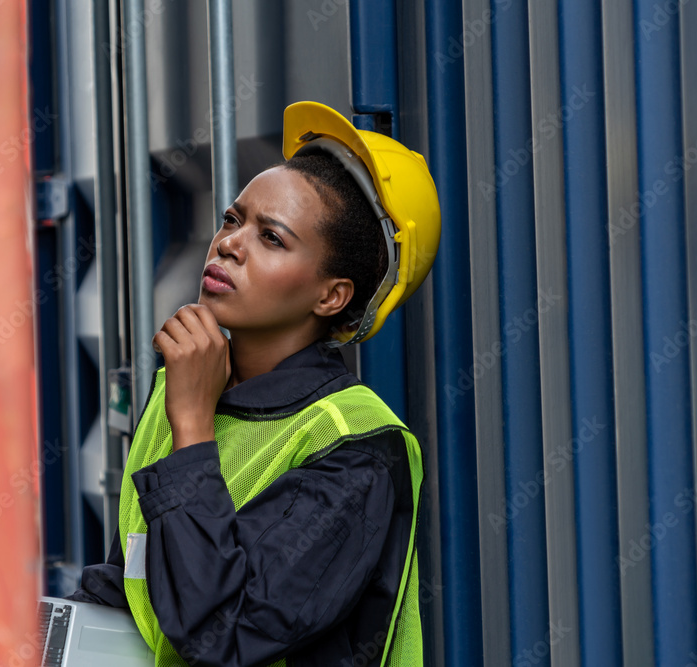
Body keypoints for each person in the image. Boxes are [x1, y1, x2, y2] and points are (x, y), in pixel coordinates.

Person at [67, 101, 440, 667]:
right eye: (233, 219)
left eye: (272, 239)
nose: (228, 244)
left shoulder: (354, 448)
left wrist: (191, 428)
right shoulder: (188, 382)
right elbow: (139, 583)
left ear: (331, 296)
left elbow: (225, 633)